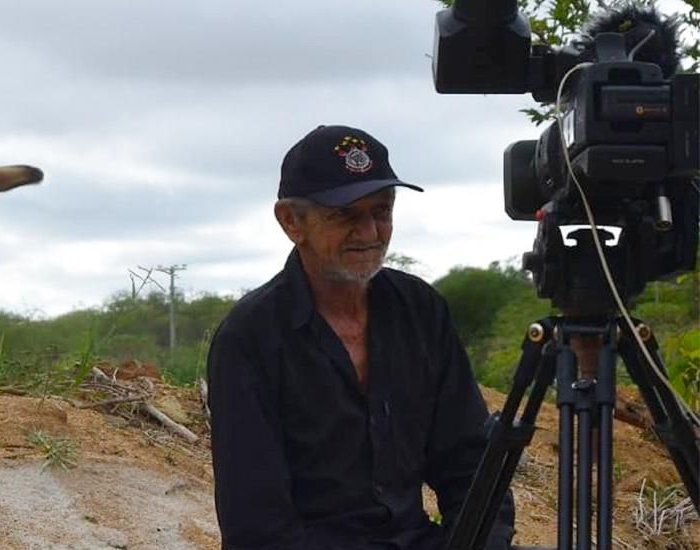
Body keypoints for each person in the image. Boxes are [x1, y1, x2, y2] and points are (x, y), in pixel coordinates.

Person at [206, 124, 525, 550]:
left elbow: (469, 464)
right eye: (345, 215)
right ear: (290, 221)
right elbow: (257, 527)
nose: (371, 233)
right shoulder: (249, 338)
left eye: (382, 211)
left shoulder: (420, 310)